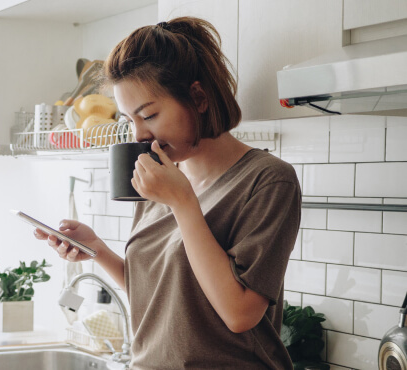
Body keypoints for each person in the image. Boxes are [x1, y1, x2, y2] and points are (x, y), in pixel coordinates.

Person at [35, 16, 301, 369]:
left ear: (198, 98)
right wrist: (97, 250)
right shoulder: (161, 180)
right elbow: (162, 298)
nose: (140, 135)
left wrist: (181, 202)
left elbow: (239, 313)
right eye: (131, 120)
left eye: (150, 115)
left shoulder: (267, 181)